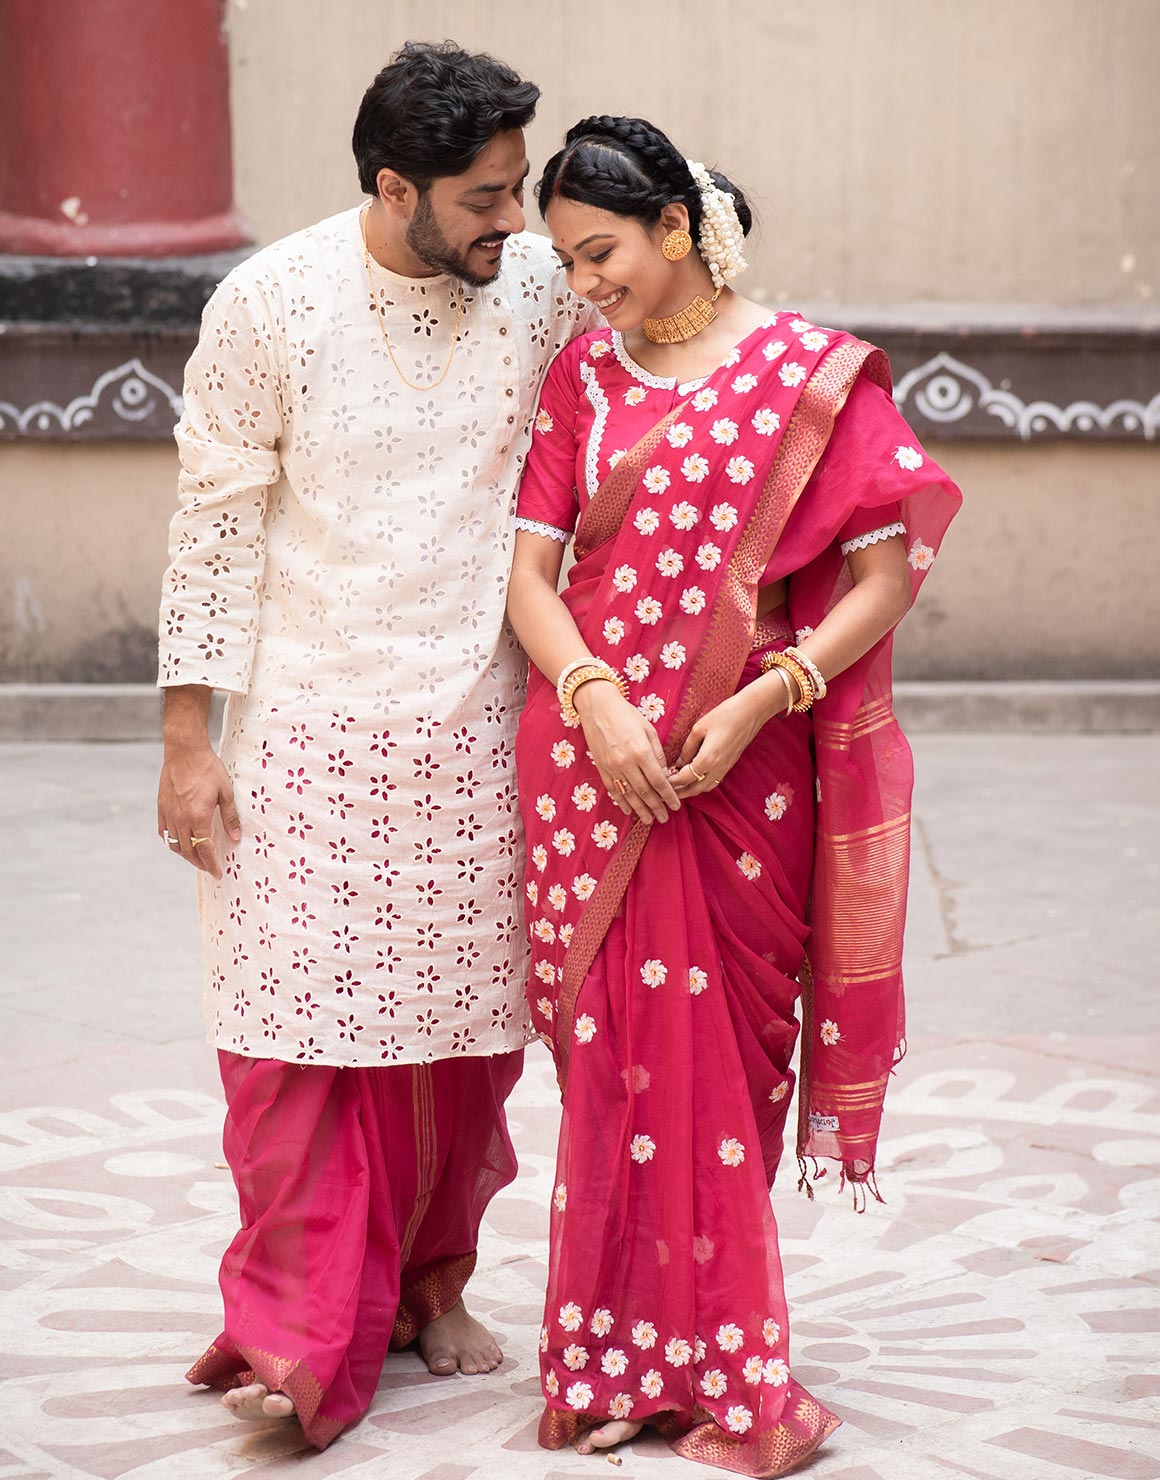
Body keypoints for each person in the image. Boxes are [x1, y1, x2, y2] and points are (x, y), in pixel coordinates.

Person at [155, 42, 598, 1449]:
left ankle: (432, 1285)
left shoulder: (534, 291)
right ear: (394, 186)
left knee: (459, 1056)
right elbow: (214, 527)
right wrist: (187, 742)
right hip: (306, 734)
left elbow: (633, 410)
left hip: (482, 730)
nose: (514, 222)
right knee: (291, 1047)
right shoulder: (269, 305)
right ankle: (294, 1333)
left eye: (518, 189)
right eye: (484, 196)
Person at [506, 116, 961, 1474]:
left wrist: (766, 693)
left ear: (678, 230)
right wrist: (596, 701)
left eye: (601, 255)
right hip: (591, 770)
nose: (585, 286)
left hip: (739, 771)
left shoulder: (808, 374)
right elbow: (528, 578)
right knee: (608, 1078)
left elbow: (884, 575)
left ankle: (725, 1370)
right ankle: (602, 1365)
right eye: (566, 262)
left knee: (718, 1075)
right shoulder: (582, 384)